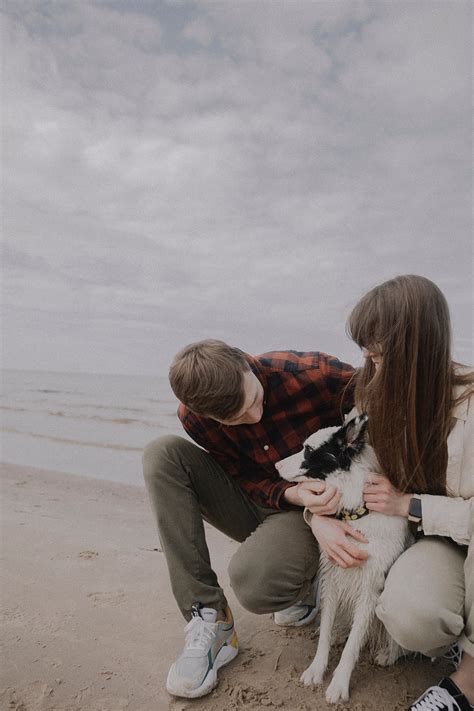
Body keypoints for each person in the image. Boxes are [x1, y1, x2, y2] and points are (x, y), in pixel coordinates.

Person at [142, 341, 359, 698]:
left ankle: (303, 584)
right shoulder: (194, 416)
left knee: (255, 584)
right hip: (267, 499)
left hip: (324, 508)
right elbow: (240, 474)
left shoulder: (313, 374)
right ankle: (210, 620)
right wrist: (291, 495)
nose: (254, 417)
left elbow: (390, 399)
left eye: (254, 400)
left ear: (246, 362)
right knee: (162, 454)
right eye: (237, 419)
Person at [304, 275, 473, 711]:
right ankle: (454, 630)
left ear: (416, 349)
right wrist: (318, 515)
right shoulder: (377, 397)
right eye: (366, 356)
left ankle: (468, 682)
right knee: (409, 617)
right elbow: (346, 470)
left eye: (378, 356)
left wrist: (409, 504)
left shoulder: (469, 401)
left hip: (459, 529)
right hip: (431, 541)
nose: (370, 368)